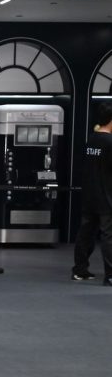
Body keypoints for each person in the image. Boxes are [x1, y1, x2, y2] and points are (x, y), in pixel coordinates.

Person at [72, 101, 112, 286]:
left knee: (86, 233)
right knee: (108, 236)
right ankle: (110, 275)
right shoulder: (110, 143)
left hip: (89, 196)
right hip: (106, 197)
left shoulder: (92, 139)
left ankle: (79, 270)